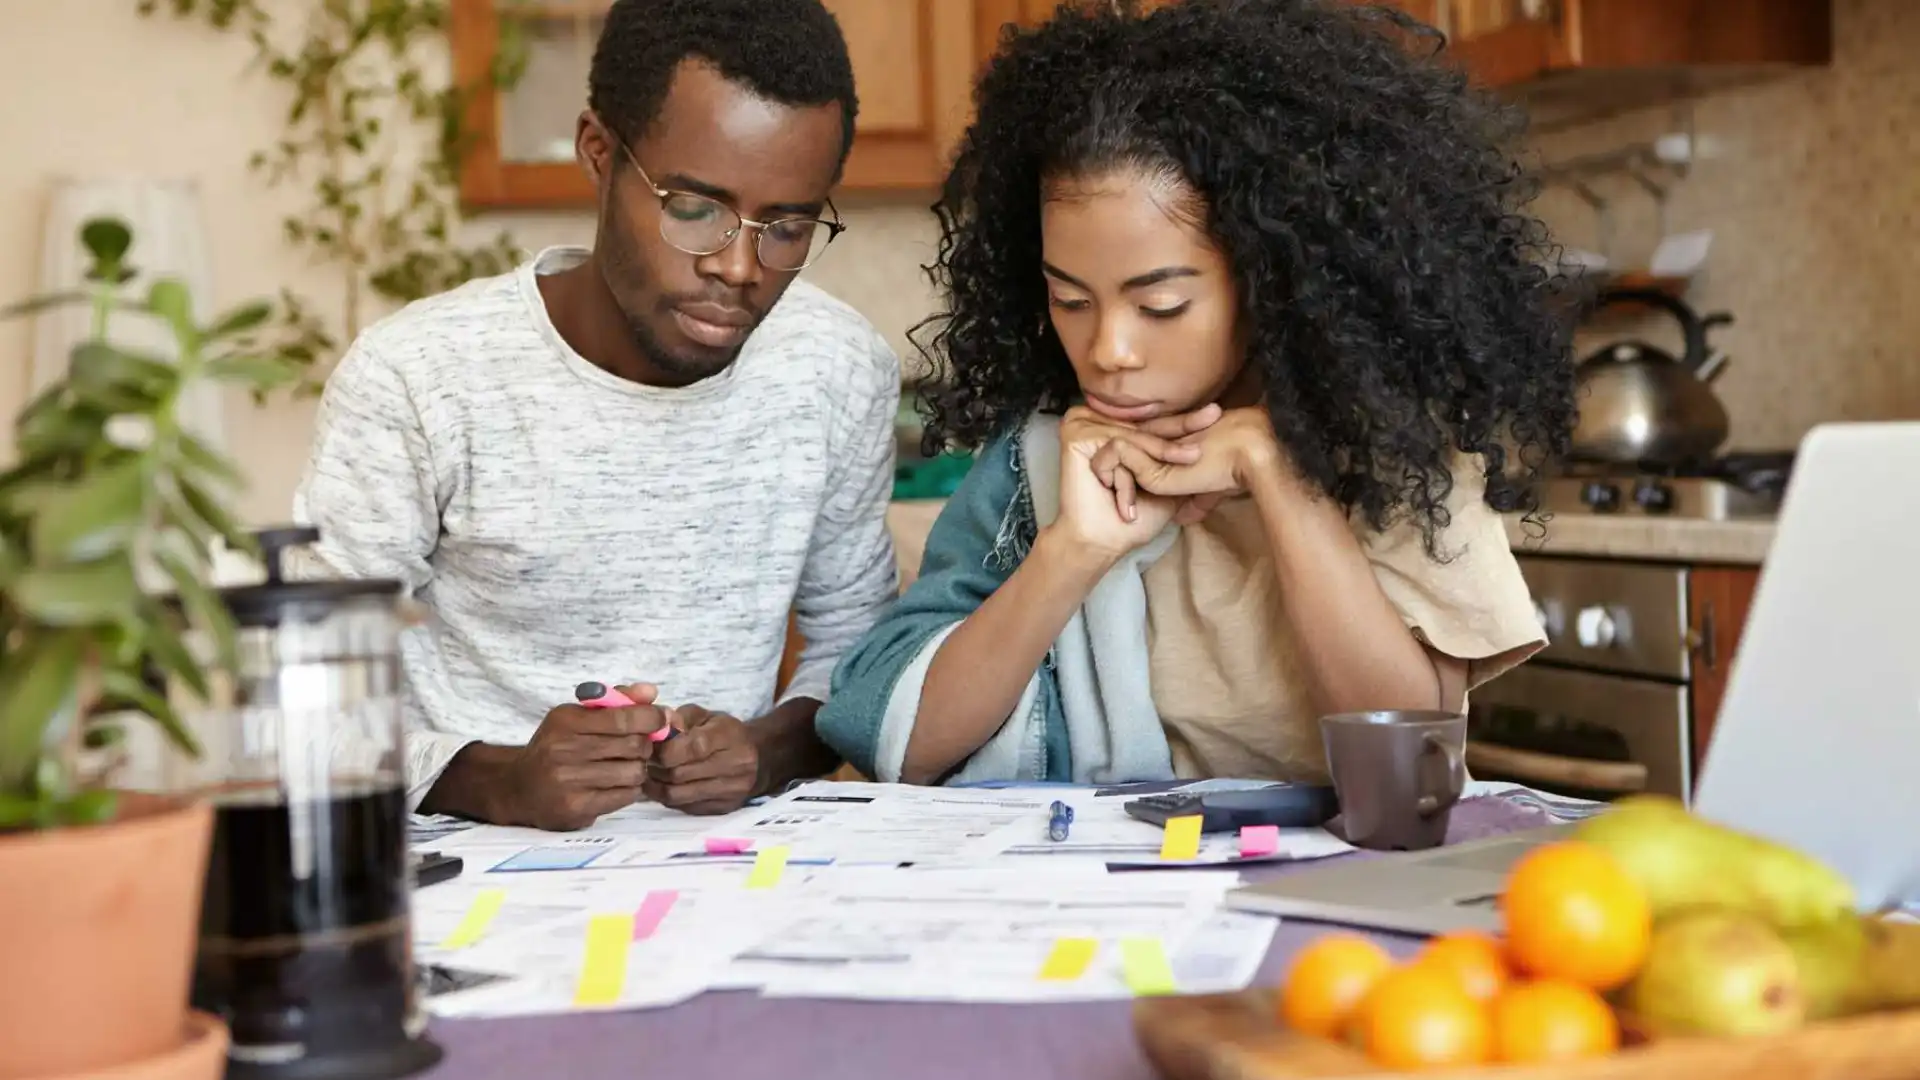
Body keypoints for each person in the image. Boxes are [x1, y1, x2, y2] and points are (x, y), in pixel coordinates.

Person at [816, 0, 1574, 787]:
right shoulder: (1041, 465)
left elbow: (1408, 773)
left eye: (1161, 306)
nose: (1108, 351)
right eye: (1070, 301)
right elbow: (897, 743)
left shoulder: (1399, 455)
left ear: (1269, 278)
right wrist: (1073, 553)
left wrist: (1276, 474)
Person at [294, 0, 900, 828]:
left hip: (727, 881)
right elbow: (305, 690)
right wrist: (495, 779)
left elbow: (857, 655)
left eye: (787, 226)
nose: (739, 266)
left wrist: (762, 753)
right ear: (599, 154)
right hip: (469, 883)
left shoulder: (838, 368)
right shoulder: (420, 377)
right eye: (694, 208)